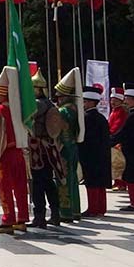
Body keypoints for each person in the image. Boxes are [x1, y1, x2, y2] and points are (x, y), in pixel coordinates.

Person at [0, 68, 29, 234]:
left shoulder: (0, 112)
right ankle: (22, 218)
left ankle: (8, 220)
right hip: (19, 152)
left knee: (4, 187)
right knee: (20, 186)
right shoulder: (19, 111)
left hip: (5, 154)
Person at [28, 73, 63, 228]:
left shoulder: (39, 104)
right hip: (47, 148)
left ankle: (40, 216)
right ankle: (55, 213)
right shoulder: (49, 103)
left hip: (39, 149)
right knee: (48, 182)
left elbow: (29, 113)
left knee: (39, 184)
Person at [54, 69, 85, 222]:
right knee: (72, 179)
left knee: (63, 180)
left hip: (63, 149)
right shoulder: (75, 109)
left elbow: (56, 131)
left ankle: (65, 212)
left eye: (59, 96)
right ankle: (75, 210)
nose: (58, 99)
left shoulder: (62, 111)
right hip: (72, 146)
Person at [79, 86, 112, 217]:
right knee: (100, 183)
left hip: (90, 154)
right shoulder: (101, 117)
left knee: (92, 182)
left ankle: (93, 208)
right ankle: (101, 208)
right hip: (101, 154)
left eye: (85, 101)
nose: (83, 104)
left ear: (92, 102)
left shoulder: (87, 117)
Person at [108, 88, 128, 191]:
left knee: (119, 163)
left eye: (115, 100)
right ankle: (116, 182)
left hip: (117, 140)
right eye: (112, 100)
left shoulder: (121, 111)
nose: (113, 102)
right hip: (113, 138)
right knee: (114, 163)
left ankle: (122, 184)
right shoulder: (114, 111)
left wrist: (110, 133)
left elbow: (118, 125)